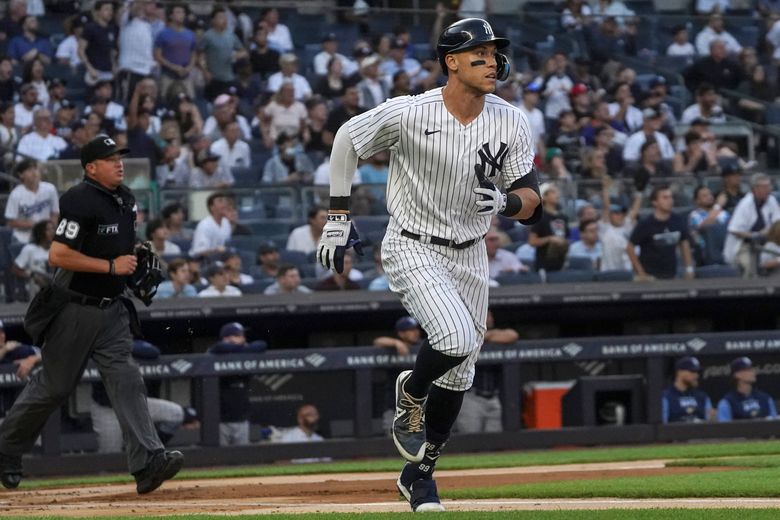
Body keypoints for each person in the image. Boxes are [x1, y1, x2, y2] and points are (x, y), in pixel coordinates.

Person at [315, 18, 541, 512]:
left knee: (460, 374)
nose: (490, 61)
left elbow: (533, 202)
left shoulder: (511, 120)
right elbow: (346, 140)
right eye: (477, 53)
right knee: (456, 341)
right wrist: (337, 215)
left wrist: (505, 203)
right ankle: (411, 389)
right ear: (451, 62)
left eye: (493, 53)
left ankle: (420, 475)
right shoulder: (409, 111)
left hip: (471, 252)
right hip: (412, 242)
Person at [0, 135, 183, 493]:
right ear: (91, 167)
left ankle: (148, 462)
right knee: (54, 388)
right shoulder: (78, 199)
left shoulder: (125, 198)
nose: (119, 162)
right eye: (109, 158)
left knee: (127, 377)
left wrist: (135, 256)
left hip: (112, 309)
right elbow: (58, 255)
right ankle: (5, 449)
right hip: (75, 307)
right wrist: (112, 265)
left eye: (119, 156)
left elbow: (119, 245)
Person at [90, 339, 199, 453]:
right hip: (108, 409)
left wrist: (123, 344)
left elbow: (152, 351)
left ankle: (150, 451)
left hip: (137, 405)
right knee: (110, 455)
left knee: (176, 414)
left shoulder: (129, 344)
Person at [455, 309, 518, 434]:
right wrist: (483, 336)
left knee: (494, 442)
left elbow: (512, 335)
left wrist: (485, 336)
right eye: (486, 315)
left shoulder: (496, 337)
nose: (489, 318)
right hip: (471, 397)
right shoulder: (464, 335)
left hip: (493, 398)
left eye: (490, 315)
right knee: (470, 440)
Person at [207, 322, 266, 445]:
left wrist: (241, 348)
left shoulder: (245, 351)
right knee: (218, 460)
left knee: (242, 460)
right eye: (239, 335)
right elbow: (219, 348)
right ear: (228, 338)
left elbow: (261, 345)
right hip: (219, 420)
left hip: (241, 418)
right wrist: (242, 348)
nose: (243, 338)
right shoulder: (215, 351)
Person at [627, 185, 695, 281]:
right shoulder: (645, 224)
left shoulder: (678, 221)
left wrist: (689, 268)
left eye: (671, 197)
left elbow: (684, 243)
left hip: (671, 275)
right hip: (650, 276)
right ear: (655, 202)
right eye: (665, 198)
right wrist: (641, 273)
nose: (670, 200)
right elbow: (629, 247)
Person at [723, 173, 780, 276]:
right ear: (755, 189)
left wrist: (770, 232)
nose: (769, 189)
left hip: (767, 242)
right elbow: (734, 230)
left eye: (769, 186)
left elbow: (777, 223)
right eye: (765, 187)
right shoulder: (745, 204)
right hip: (744, 246)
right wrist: (756, 235)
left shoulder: (771, 200)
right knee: (750, 266)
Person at [4, 159, 59, 244]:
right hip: (22, 239)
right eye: (29, 170)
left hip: (46, 238)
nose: (34, 173)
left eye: (35, 169)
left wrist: (50, 229)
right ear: (21, 175)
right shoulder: (15, 194)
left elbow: (55, 213)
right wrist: (36, 225)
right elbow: (11, 222)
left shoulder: (50, 189)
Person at [198, 7, 247, 101]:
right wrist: (205, 71)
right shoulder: (208, 36)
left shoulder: (231, 35)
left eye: (225, 18)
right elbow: (200, 55)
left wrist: (238, 55)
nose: (224, 20)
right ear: (213, 20)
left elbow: (244, 51)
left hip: (229, 77)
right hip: (214, 78)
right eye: (220, 17)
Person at [717, 357, 778, 421]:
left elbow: (775, 424)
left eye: (752, 369)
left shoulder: (765, 398)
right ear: (737, 374)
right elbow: (724, 428)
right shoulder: (727, 402)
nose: (752, 372)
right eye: (748, 370)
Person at [529, 183, 569, 273]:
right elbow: (532, 241)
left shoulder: (563, 217)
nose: (557, 194)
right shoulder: (540, 217)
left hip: (561, 264)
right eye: (553, 192)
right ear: (544, 196)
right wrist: (549, 239)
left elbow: (566, 237)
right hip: (543, 265)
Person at [662, 356, 714, 423]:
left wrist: (713, 418)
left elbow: (710, 426)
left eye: (697, 372)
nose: (696, 375)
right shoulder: (666, 397)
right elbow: (662, 426)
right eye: (692, 371)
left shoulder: (703, 397)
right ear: (680, 372)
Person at [78, 1, 119, 87]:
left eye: (111, 9)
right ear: (98, 11)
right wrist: (89, 68)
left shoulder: (113, 29)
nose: (110, 12)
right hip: (95, 71)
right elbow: (80, 50)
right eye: (106, 9)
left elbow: (111, 51)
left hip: (108, 72)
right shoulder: (90, 28)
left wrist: (114, 65)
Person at [12, 219, 53, 301]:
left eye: (53, 229)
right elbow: (15, 269)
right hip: (35, 287)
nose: (52, 232)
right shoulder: (30, 249)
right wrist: (32, 275)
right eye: (48, 229)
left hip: (54, 285)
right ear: (40, 232)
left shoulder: (56, 250)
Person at [689, 186, 730, 266]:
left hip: (726, 248)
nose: (709, 197)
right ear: (697, 201)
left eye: (710, 194)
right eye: (704, 196)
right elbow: (704, 227)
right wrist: (718, 206)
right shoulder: (694, 215)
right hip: (705, 252)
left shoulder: (723, 213)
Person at [189, 192, 232, 258]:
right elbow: (199, 252)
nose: (225, 204)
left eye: (225, 201)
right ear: (212, 207)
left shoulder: (226, 222)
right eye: (220, 201)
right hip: (202, 261)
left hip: (221, 259)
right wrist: (216, 250)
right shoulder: (204, 225)